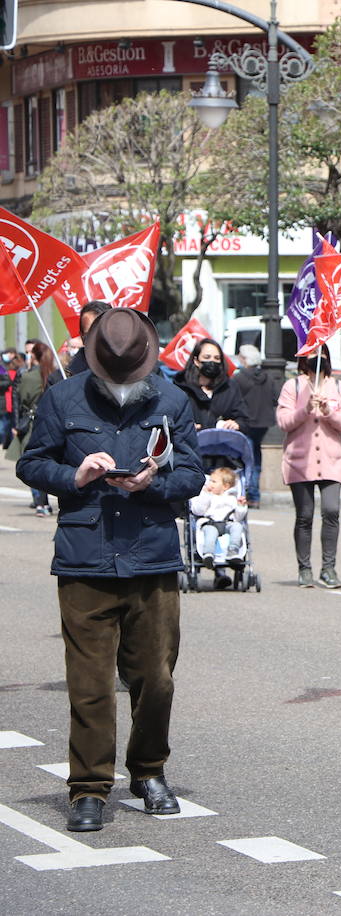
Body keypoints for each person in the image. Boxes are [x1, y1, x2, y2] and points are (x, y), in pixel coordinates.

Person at [16, 308, 203, 832]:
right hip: (85, 558)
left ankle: (148, 772)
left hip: (152, 556)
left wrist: (155, 483)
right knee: (91, 684)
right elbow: (31, 464)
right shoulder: (63, 397)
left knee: (156, 680)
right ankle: (89, 789)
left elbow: (192, 472)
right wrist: (74, 475)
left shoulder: (172, 399)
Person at [276, 345, 341, 589]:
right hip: (300, 461)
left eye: (322, 355)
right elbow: (283, 421)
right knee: (305, 515)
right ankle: (304, 568)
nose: (317, 359)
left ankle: (329, 568)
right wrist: (305, 409)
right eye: (313, 355)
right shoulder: (294, 386)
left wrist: (328, 411)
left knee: (331, 511)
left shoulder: (339, 387)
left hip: (331, 462)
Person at [7, 340, 59, 516]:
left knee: (32, 461)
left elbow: (20, 399)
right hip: (52, 421)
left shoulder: (28, 377)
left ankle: (39, 501)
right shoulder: (55, 374)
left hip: (31, 422)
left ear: (34, 356)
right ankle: (44, 502)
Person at [232, 344, 282, 508]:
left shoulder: (239, 378)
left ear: (245, 359)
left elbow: (234, 399)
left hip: (246, 423)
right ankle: (254, 494)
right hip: (263, 423)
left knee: (247, 458)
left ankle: (250, 493)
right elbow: (276, 398)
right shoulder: (268, 377)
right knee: (256, 457)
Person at [189, 467, 248, 589]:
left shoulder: (231, 498)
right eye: (210, 481)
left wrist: (241, 506)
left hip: (227, 524)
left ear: (225, 486)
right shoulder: (207, 496)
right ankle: (208, 553)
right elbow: (197, 510)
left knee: (237, 527)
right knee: (210, 532)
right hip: (211, 524)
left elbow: (238, 517)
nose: (210, 484)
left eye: (213, 482)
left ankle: (233, 551)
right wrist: (205, 495)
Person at [174, 339, 248, 431]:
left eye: (216, 358)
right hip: (190, 442)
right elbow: (171, 418)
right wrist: (185, 427)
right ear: (196, 361)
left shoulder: (230, 387)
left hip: (221, 442)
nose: (212, 361)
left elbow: (243, 418)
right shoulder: (180, 387)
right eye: (207, 357)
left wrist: (236, 424)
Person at [64, 301, 113, 376]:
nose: (97, 339)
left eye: (101, 332)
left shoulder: (132, 371)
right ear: (82, 337)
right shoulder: (61, 379)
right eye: (90, 334)